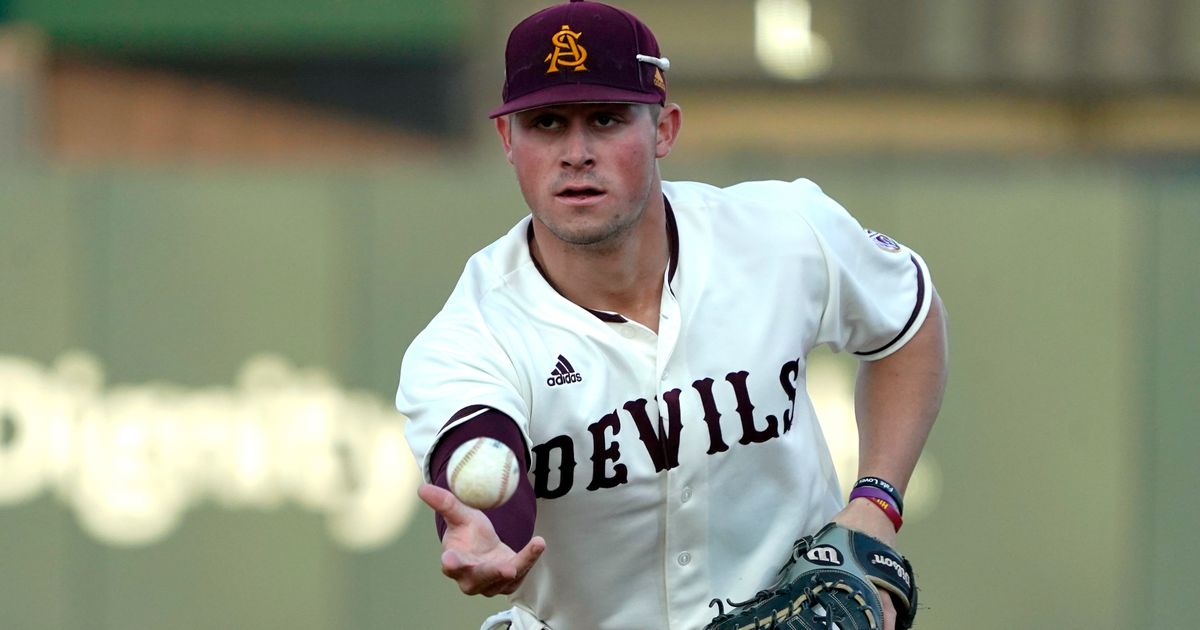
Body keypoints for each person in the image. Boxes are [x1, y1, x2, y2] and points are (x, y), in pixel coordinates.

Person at [396, 1, 949, 628]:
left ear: (663, 129)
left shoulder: (781, 234)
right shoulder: (472, 336)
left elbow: (909, 316)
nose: (576, 153)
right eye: (546, 123)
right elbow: (480, 455)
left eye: (605, 120)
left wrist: (877, 501)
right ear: (507, 140)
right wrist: (488, 530)